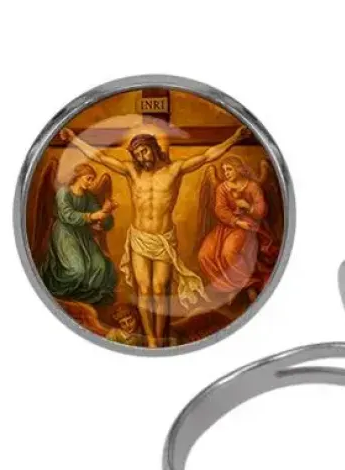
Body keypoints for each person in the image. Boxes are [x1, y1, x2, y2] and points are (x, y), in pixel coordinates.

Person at [61, 126, 249, 347]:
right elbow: (99, 157)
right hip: (140, 237)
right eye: (137, 154)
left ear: (153, 148)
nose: (142, 157)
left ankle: (159, 338)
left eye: (145, 151)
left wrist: (234, 138)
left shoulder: (174, 170)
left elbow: (208, 156)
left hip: (163, 239)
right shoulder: (132, 171)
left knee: (159, 290)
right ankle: (151, 340)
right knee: (144, 290)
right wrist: (74, 139)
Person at [198, 156, 279, 302]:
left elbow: (261, 211)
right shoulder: (222, 188)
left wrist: (247, 206)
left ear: (239, 169)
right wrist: (235, 221)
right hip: (228, 225)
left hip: (248, 225)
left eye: (229, 169)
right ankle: (230, 287)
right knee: (204, 254)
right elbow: (220, 209)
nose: (226, 173)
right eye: (224, 170)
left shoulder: (252, 187)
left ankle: (249, 285)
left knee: (229, 252)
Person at [41, 164, 117, 304]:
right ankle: (60, 297)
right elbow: (67, 215)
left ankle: (84, 299)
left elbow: (100, 216)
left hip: (83, 234)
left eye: (92, 179)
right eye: (88, 178)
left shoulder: (88, 197)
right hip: (65, 234)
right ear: (78, 177)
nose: (91, 183)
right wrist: (91, 217)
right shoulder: (64, 192)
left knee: (100, 267)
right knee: (77, 270)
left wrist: (106, 212)